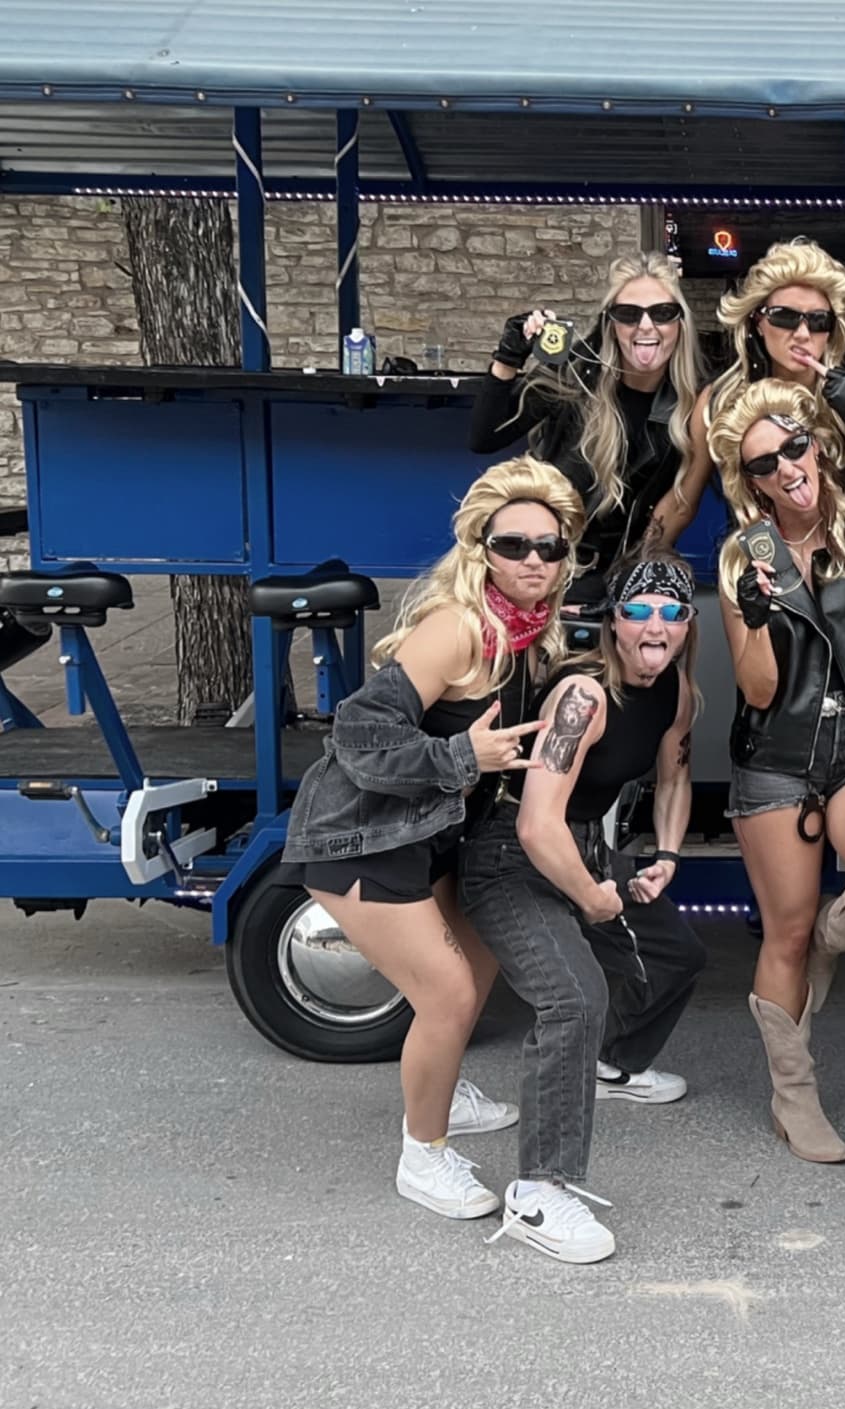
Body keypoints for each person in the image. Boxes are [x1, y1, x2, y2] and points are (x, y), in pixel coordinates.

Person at [281, 456, 584, 1222]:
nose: (534, 562)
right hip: (360, 836)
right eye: (514, 545)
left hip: (422, 831)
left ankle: (442, 1078)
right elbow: (358, 730)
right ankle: (424, 1154)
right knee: (446, 991)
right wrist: (461, 758)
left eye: (549, 547)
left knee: (478, 958)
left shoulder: (531, 630)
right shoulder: (460, 628)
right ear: (483, 548)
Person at [458, 550, 706, 1263]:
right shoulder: (583, 698)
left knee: (675, 955)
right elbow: (536, 824)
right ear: (614, 621)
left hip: (582, 852)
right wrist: (593, 899)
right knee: (573, 996)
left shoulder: (675, 692)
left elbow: (674, 775)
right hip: (511, 858)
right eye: (639, 610)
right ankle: (538, 1190)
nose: (655, 625)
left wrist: (665, 855)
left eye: (671, 612)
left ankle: (613, 1063)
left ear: (688, 623)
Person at [708, 379, 845, 1162]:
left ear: (817, 444)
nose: (787, 467)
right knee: (786, 932)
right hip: (776, 763)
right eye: (764, 461)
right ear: (751, 479)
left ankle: (833, 945)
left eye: (794, 446)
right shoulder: (745, 556)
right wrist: (757, 619)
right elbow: (760, 689)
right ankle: (794, 1097)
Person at [469, 255, 705, 597]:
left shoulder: (694, 402)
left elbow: (681, 503)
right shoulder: (576, 375)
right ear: (610, 323)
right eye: (628, 314)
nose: (645, 326)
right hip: (551, 562)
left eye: (662, 313)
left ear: (680, 323)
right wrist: (508, 357)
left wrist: (631, 581)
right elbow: (484, 437)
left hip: (628, 572)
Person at [683, 238, 845, 531]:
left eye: (818, 320)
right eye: (785, 317)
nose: (802, 333)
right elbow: (684, 499)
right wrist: (643, 554)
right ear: (758, 320)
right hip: (758, 563)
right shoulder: (720, 400)